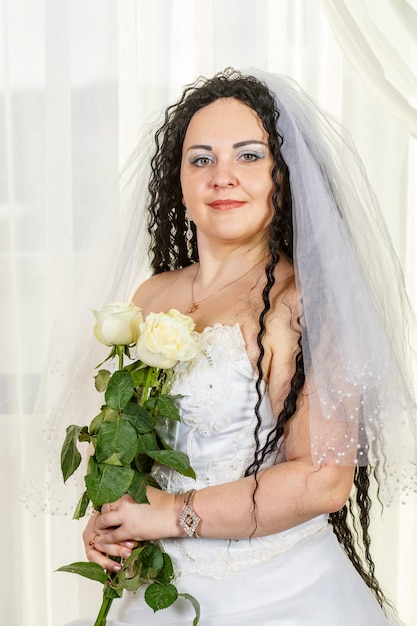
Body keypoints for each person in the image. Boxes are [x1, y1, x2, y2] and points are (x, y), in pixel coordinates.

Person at [67, 68, 417, 625]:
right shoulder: (153, 296)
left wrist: (170, 516)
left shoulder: (301, 303)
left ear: (284, 175)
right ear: (177, 181)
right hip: (159, 596)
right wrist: (115, 520)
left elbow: (324, 479)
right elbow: (136, 445)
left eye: (249, 156)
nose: (222, 177)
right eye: (201, 159)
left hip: (282, 598)